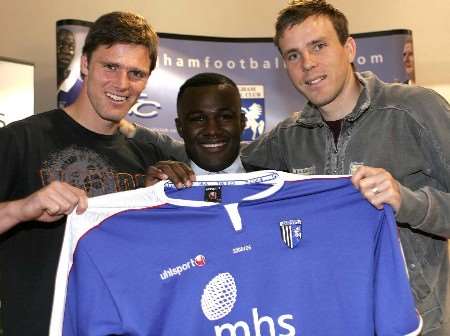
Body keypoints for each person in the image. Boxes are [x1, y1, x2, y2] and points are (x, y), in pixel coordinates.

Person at [240, 1, 450, 335]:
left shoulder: (414, 109)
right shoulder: (289, 136)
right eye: (293, 55)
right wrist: (162, 159)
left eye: (318, 46)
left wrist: (407, 201)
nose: (307, 64)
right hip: (328, 319)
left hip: (415, 323)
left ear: (349, 48)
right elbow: (223, 163)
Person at [0, 11, 167, 335]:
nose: (122, 84)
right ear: (85, 64)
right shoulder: (20, 140)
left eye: (136, 73)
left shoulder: (148, 157)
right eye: (111, 67)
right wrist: (21, 209)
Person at [121, 72, 247, 187]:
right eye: (198, 119)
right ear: (180, 127)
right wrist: (150, 196)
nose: (212, 130)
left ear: (242, 122)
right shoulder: (156, 185)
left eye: (225, 117)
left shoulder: (266, 181)